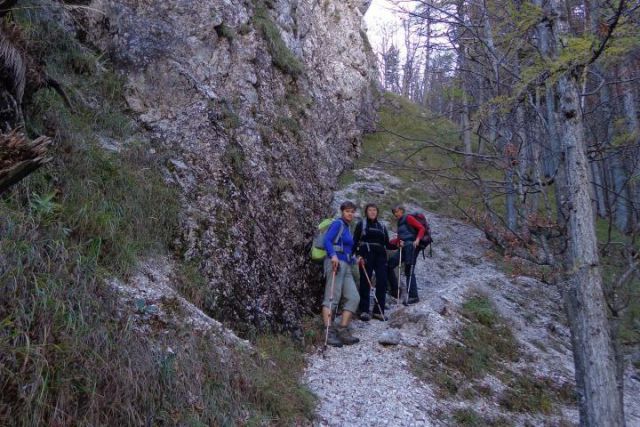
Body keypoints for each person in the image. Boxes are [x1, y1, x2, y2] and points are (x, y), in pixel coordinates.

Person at [322, 200, 360, 347]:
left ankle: (342, 329)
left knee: (353, 298)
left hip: (347, 265)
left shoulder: (348, 227)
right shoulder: (338, 224)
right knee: (332, 298)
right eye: (347, 211)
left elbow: (347, 250)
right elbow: (327, 241)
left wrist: (356, 259)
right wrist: (333, 255)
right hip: (335, 264)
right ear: (342, 212)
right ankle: (328, 331)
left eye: (352, 211)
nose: (350, 214)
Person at [353, 203, 397, 321]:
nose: (372, 212)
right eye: (370, 210)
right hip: (366, 254)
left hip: (381, 256)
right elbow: (355, 241)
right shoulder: (361, 224)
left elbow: (387, 244)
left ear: (377, 212)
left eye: (374, 210)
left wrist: (397, 244)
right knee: (365, 281)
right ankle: (364, 310)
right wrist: (357, 255)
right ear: (366, 212)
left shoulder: (382, 226)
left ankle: (378, 311)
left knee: (382, 282)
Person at [387, 205, 425, 305]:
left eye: (397, 211)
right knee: (389, 264)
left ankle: (413, 296)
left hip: (411, 246)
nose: (396, 213)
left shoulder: (408, 218)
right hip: (403, 247)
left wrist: (417, 240)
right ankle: (395, 290)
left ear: (402, 211)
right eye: (394, 212)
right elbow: (400, 238)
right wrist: (388, 242)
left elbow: (421, 228)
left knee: (409, 270)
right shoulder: (400, 223)